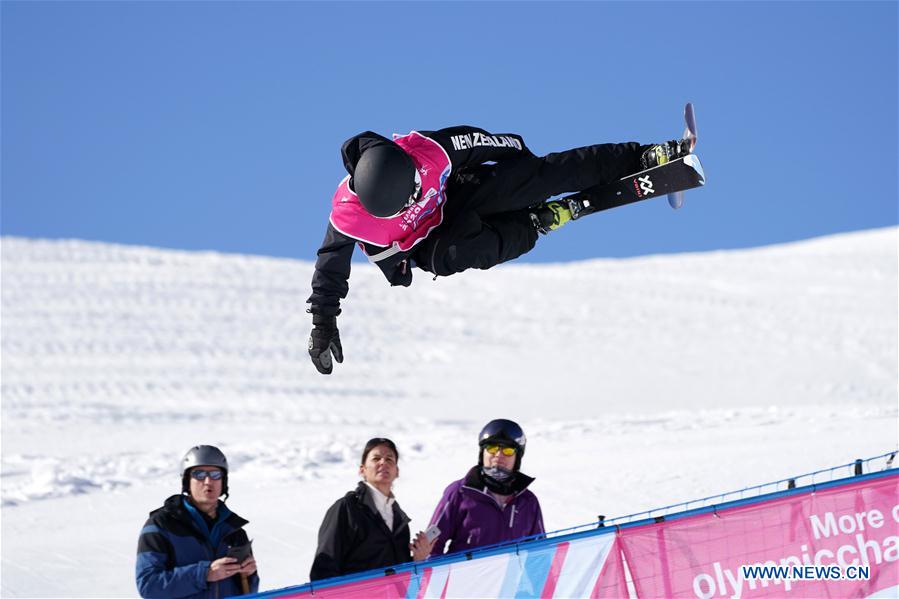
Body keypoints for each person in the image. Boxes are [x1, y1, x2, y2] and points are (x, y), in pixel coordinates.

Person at [307, 125, 692, 373]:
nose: (411, 204)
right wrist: (323, 323)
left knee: (540, 177)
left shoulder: (428, 150)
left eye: (411, 195)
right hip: (427, 245)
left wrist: (523, 165)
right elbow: (330, 268)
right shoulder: (347, 218)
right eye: (402, 206)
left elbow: (480, 141)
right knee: (458, 254)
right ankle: (537, 222)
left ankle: (643, 155)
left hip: (456, 194)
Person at [136, 445, 259, 598]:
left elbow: (248, 594)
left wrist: (249, 575)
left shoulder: (235, 530)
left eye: (215, 474)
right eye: (199, 474)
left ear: (223, 481)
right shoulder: (161, 525)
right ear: (187, 481)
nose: (208, 481)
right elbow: (149, 586)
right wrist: (204, 574)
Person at [310, 438, 434, 581]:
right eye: (376, 458)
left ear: (397, 471)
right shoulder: (346, 509)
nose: (383, 462)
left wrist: (417, 560)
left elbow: (401, 576)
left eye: (389, 459)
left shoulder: (400, 520)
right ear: (362, 470)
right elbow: (323, 570)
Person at [428, 419, 544, 556]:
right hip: (466, 576)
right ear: (482, 453)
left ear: (517, 458)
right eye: (492, 448)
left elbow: (540, 552)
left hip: (510, 577)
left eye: (507, 450)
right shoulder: (459, 492)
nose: (499, 455)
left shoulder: (528, 501)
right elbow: (430, 544)